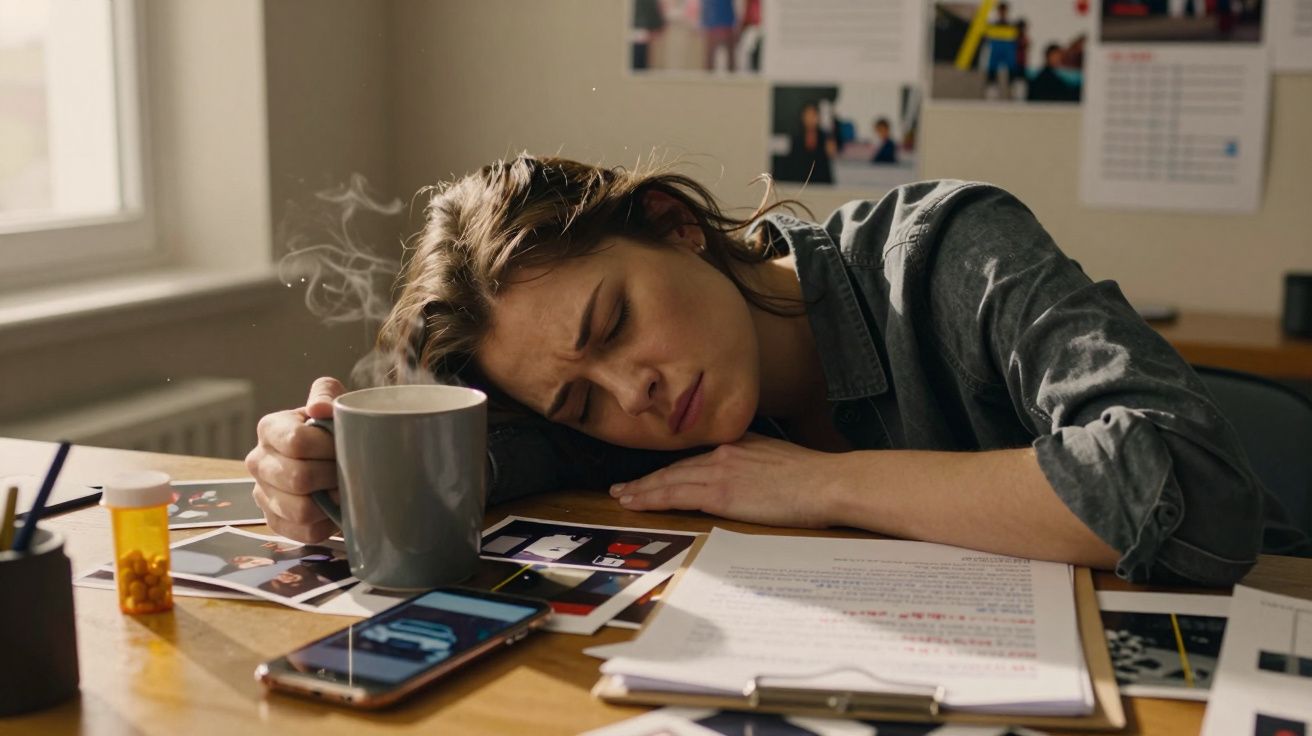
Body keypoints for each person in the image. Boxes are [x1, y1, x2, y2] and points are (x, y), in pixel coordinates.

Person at [247, 154, 1309, 586]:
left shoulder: (947, 251)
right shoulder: (618, 425)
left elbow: (1187, 482)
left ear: (675, 224)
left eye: (613, 323)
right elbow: (493, 459)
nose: (631, 394)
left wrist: (818, 484)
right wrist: (326, 472)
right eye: (577, 398)